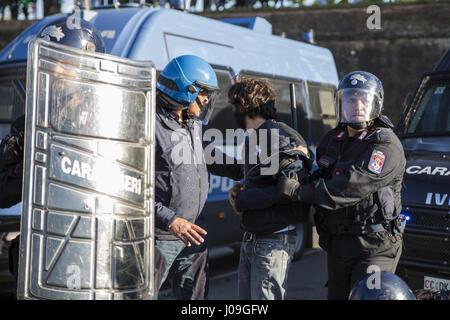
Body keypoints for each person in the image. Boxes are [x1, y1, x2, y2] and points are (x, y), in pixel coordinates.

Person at [277, 71, 407, 300]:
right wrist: (298, 168)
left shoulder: (385, 143)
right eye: (350, 99)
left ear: (375, 103)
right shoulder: (331, 140)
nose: (357, 105)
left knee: (369, 297)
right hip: (338, 245)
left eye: (363, 99)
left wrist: (300, 192)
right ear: (341, 103)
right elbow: (320, 175)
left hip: (374, 246)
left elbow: (352, 185)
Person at [0, 15, 105, 284]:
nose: (51, 70)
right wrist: (31, 167)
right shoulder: (29, 123)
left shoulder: (111, 121)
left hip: (98, 250)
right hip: (45, 256)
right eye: (47, 62)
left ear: (84, 67)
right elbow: (2, 193)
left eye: (60, 62)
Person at [208, 77, 313, 300]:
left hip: (271, 242)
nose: (233, 111)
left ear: (245, 107)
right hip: (256, 238)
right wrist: (208, 157)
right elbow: (254, 174)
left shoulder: (274, 137)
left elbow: (286, 190)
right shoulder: (259, 136)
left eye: (234, 105)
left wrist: (243, 199)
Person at [153, 54, 219, 300]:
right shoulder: (150, 126)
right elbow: (131, 190)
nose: (207, 100)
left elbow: (212, 156)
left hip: (194, 234)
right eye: (203, 93)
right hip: (160, 237)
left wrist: (253, 168)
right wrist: (170, 220)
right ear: (185, 91)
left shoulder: (193, 125)